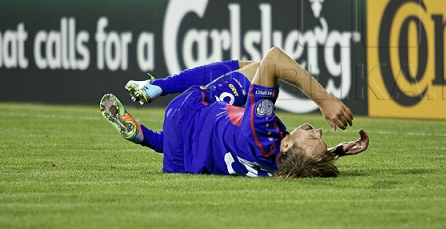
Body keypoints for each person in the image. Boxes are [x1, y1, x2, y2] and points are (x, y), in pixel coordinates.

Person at [100, 47, 369, 178]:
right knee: (209, 138)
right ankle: (143, 137)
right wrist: (336, 152)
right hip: (180, 161)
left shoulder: (262, 131)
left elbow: (274, 59)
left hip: (184, 113)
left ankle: (157, 87)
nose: (318, 131)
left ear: (285, 144)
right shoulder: (277, 169)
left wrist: (324, 99)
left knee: (255, 67)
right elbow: (301, 166)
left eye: (313, 139)